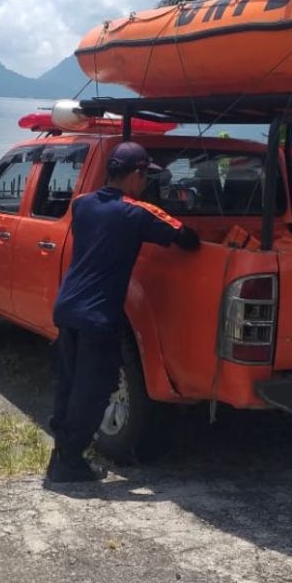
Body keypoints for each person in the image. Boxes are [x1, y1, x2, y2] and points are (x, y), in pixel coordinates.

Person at [46, 142, 200, 484]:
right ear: (135, 174)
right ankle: (69, 463)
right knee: (95, 387)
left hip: (68, 305)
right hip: (98, 313)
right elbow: (186, 239)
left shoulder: (83, 205)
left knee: (69, 383)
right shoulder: (137, 213)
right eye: (146, 177)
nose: (146, 184)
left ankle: (62, 453)